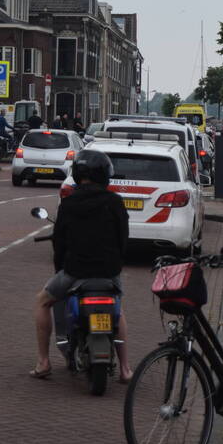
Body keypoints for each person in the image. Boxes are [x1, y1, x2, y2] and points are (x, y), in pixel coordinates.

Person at [31, 149, 133, 382]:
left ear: (78, 174)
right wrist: (116, 264)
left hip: (75, 272)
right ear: (105, 174)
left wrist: (60, 268)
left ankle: (43, 362)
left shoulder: (69, 204)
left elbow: (59, 243)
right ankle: (126, 368)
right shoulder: (115, 202)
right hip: (109, 273)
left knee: (42, 302)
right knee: (118, 310)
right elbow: (123, 239)